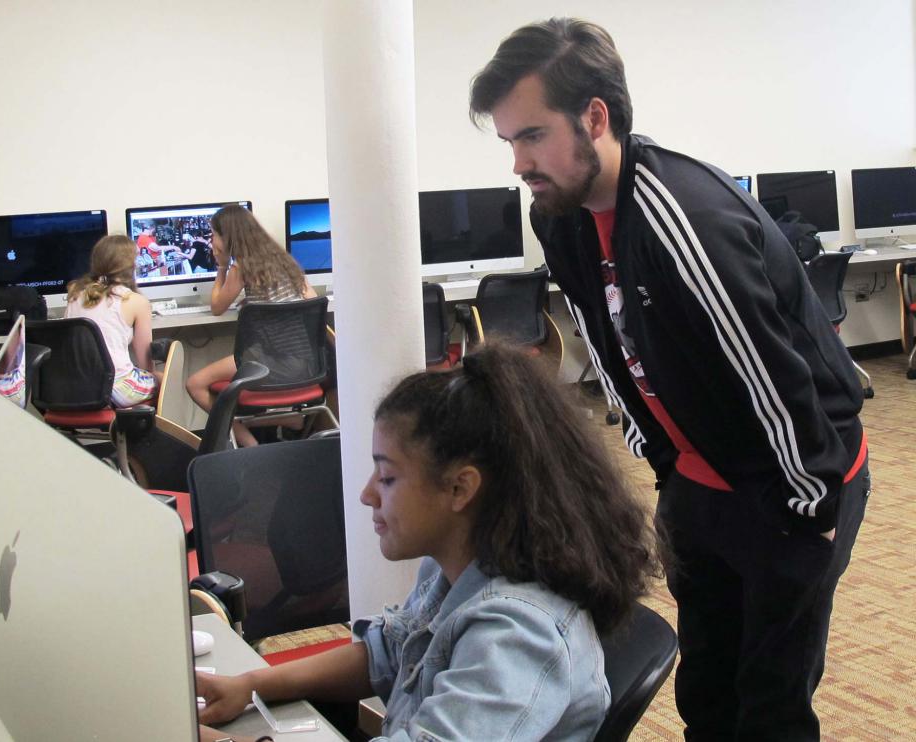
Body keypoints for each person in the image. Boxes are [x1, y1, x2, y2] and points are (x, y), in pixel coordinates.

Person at [469, 18, 870, 741]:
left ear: (595, 117)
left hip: (794, 479)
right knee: (708, 696)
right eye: (509, 143)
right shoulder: (558, 215)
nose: (519, 162)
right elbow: (607, 343)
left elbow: (772, 375)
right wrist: (667, 470)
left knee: (771, 702)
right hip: (698, 481)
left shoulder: (687, 219)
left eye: (531, 136)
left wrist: (810, 509)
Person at [194, 343, 660, 742]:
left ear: (460, 488)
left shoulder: (519, 636)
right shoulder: (455, 568)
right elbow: (388, 651)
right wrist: (253, 683)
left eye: (388, 477)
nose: (367, 494)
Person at [185, 203, 317, 446]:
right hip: (306, 363)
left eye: (213, 234)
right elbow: (310, 300)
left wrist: (222, 267)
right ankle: (291, 421)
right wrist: (261, 302)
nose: (211, 240)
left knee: (195, 384)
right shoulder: (283, 259)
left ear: (228, 236)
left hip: (272, 363)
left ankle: (247, 442)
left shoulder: (241, 267)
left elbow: (217, 307)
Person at [65, 235, 160, 407]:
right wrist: (154, 376)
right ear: (131, 265)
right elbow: (146, 363)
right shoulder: (136, 301)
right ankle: (149, 431)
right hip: (116, 389)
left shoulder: (74, 293)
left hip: (77, 387)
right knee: (163, 378)